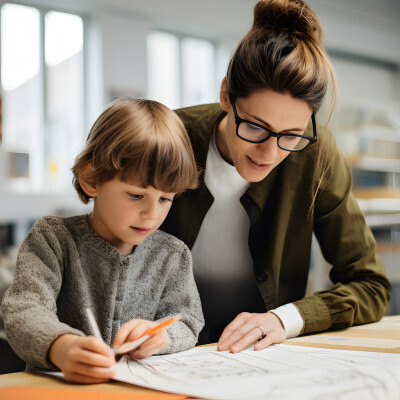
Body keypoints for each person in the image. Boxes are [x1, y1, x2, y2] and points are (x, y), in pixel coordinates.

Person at [161, 0, 391, 352]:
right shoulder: (169, 137)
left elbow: (370, 285)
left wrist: (284, 319)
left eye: (292, 134)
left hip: (260, 361)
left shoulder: (317, 154)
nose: (270, 154)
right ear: (225, 95)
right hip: (163, 353)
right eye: (255, 126)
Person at [2, 98, 204, 383]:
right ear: (91, 179)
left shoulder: (173, 254)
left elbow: (189, 323)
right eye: (136, 195)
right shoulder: (53, 238)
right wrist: (61, 346)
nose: (151, 213)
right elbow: (23, 310)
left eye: (165, 199)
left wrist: (161, 335)